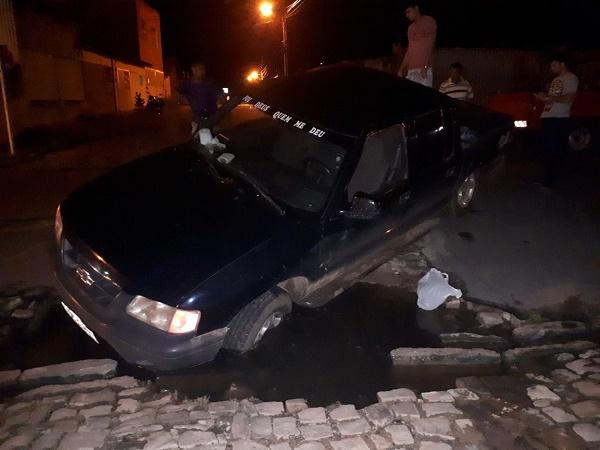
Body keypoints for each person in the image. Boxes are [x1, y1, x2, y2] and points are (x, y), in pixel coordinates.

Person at [533, 54, 579, 188]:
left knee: (553, 149)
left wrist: (549, 99)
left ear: (562, 64)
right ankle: (546, 179)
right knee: (547, 149)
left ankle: (551, 181)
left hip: (559, 118)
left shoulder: (571, 78)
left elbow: (569, 98)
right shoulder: (556, 79)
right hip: (548, 116)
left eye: (553, 64)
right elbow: (554, 98)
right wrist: (545, 98)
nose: (551, 68)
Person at [397, 1, 437, 88]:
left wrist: (426, 66)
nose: (407, 15)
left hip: (423, 70)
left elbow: (431, 46)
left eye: (409, 11)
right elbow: (409, 50)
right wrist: (401, 69)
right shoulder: (410, 28)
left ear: (416, 8)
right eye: (406, 13)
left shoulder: (428, 21)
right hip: (411, 70)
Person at [177, 63, 223, 134]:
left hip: (212, 119)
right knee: (198, 139)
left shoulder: (210, 83)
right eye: (200, 69)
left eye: (203, 69)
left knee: (215, 138)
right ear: (193, 70)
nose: (203, 72)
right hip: (197, 120)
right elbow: (180, 95)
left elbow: (219, 96)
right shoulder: (187, 84)